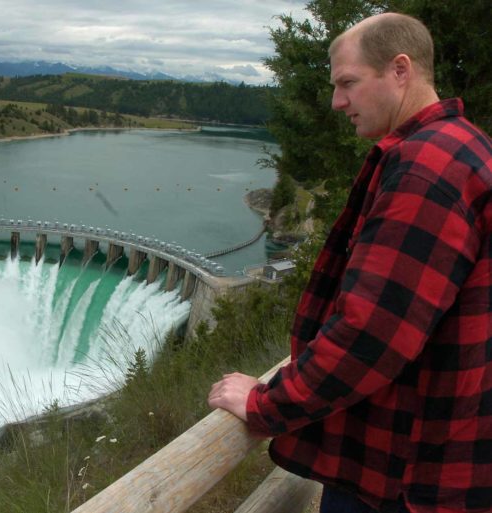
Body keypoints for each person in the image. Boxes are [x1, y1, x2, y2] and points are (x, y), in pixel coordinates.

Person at [208, 12, 492, 513]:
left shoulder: (426, 169)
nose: (338, 102)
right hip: (437, 455)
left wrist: (263, 405)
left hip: (401, 476)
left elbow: (372, 333)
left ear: (399, 71)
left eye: (348, 83)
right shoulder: (467, 146)